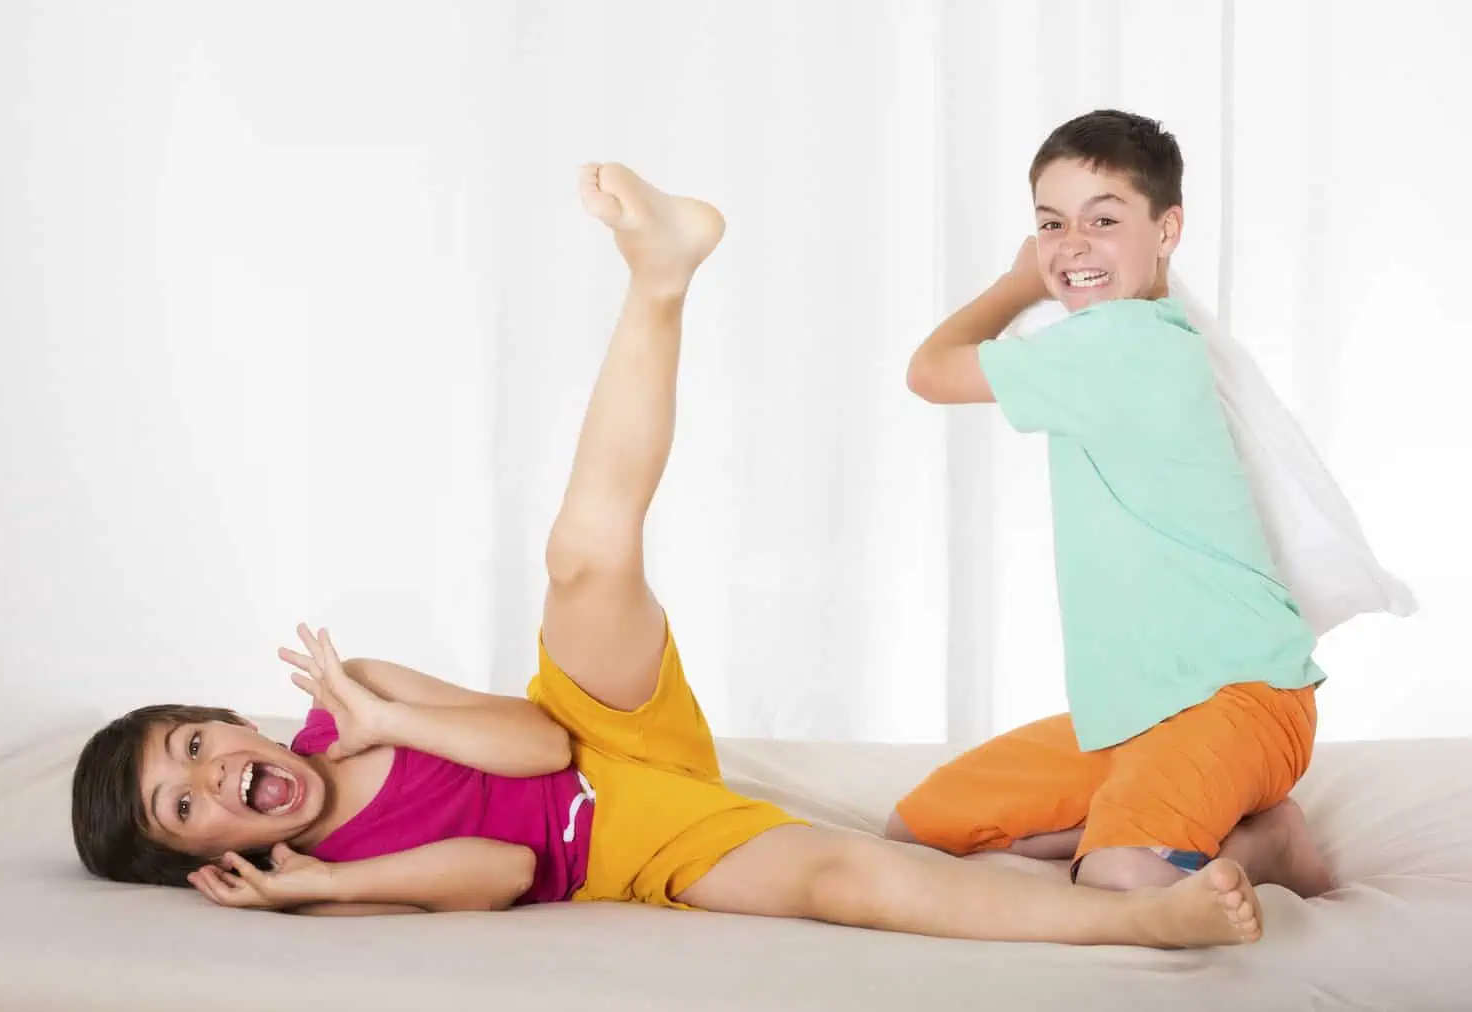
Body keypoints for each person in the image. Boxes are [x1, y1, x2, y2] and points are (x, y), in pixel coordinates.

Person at [71, 161, 1263, 947]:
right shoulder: (327, 857)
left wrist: (388, 721)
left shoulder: (349, 703)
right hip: (614, 842)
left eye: (194, 745)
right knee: (837, 884)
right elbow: (495, 872)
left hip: (595, 723)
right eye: (185, 808)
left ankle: (660, 278)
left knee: (584, 558)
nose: (215, 776)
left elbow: (536, 740)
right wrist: (325, 884)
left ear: (225, 719)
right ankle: (1135, 918)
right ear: (209, 859)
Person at [891, 110, 1334, 901]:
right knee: (922, 827)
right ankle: (1222, 828)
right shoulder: (1131, 338)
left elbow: (930, 371)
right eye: (1051, 224)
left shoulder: (1121, 342)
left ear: (1168, 230)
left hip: (1235, 698)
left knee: (1121, 874)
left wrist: (1020, 281)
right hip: (1139, 715)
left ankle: (1268, 845)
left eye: (1104, 220)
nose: (1072, 245)